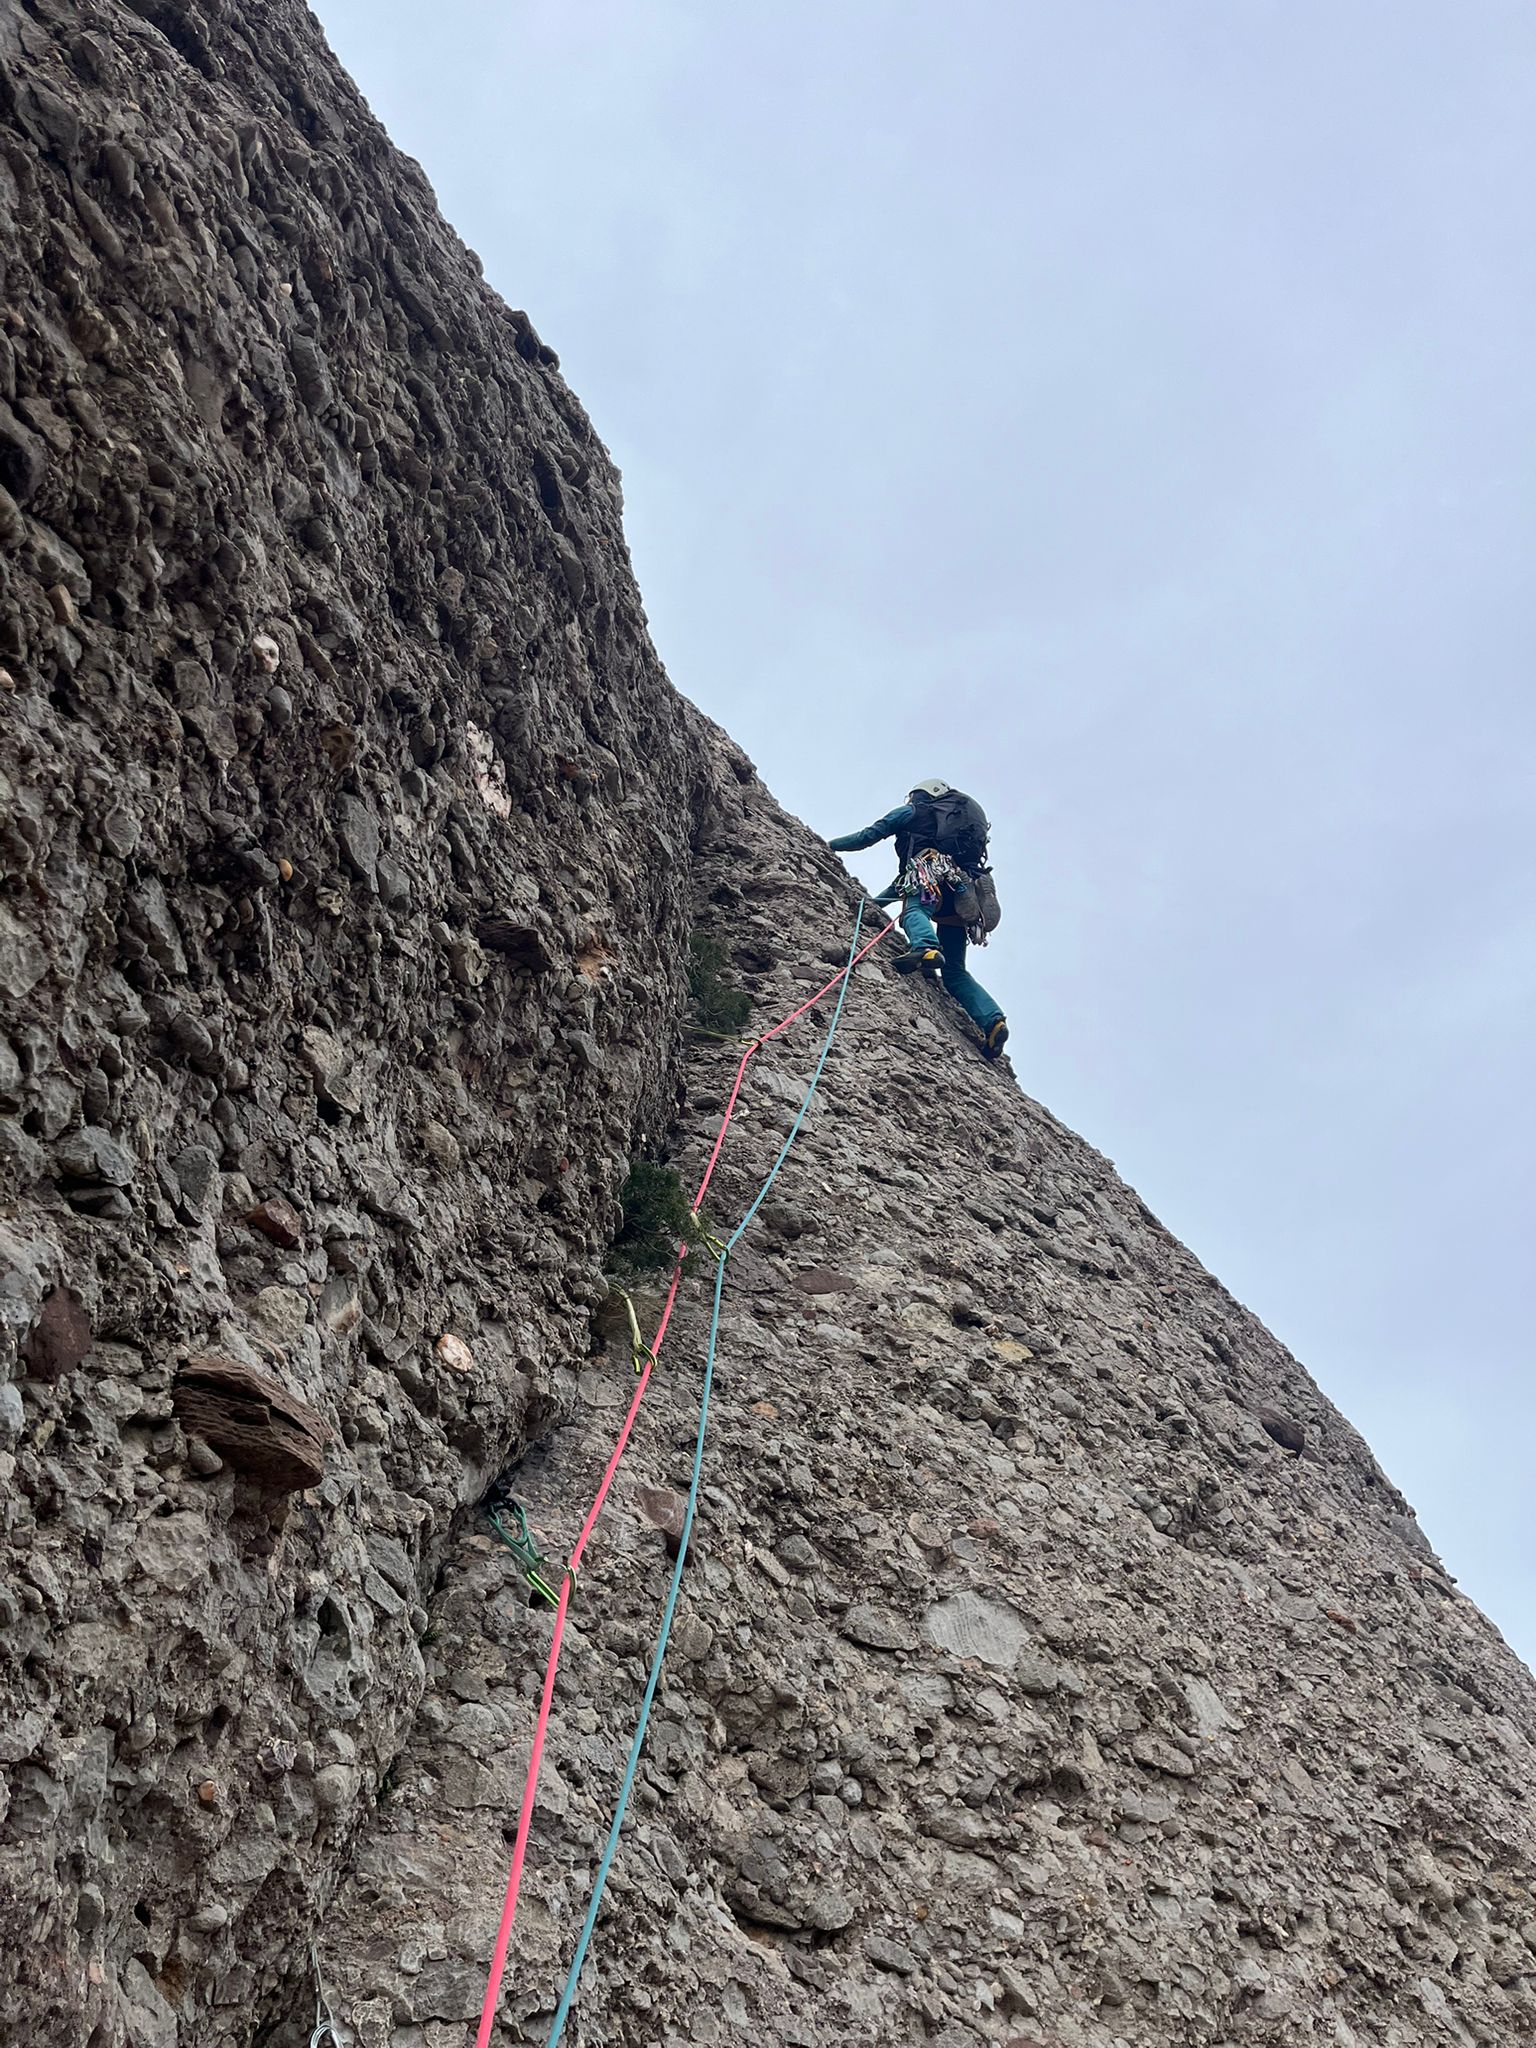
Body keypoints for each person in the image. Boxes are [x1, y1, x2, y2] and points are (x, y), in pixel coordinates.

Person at [828, 779, 1009, 1061]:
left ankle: (925, 947)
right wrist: (874, 905)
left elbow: (868, 835)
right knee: (956, 973)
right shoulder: (959, 827)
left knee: (915, 911)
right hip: (961, 889)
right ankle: (993, 1021)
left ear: (922, 794)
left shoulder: (913, 812)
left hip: (926, 873)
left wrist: (827, 846)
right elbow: (899, 886)